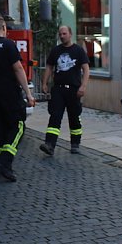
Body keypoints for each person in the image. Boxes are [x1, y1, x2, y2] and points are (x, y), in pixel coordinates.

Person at [0, 16, 35, 182]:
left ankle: (4, 166)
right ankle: (4, 161)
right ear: (4, 27)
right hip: (9, 91)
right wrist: (28, 94)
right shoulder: (9, 45)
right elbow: (18, 68)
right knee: (18, 125)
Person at [40, 26, 90, 155]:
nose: (62, 36)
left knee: (74, 117)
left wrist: (83, 86)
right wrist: (44, 83)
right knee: (55, 116)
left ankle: (75, 144)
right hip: (58, 89)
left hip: (74, 90)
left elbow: (86, 70)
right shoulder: (56, 50)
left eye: (64, 33)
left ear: (70, 34)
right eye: (60, 34)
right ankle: (49, 144)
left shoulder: (78, 51)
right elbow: (49, 67)